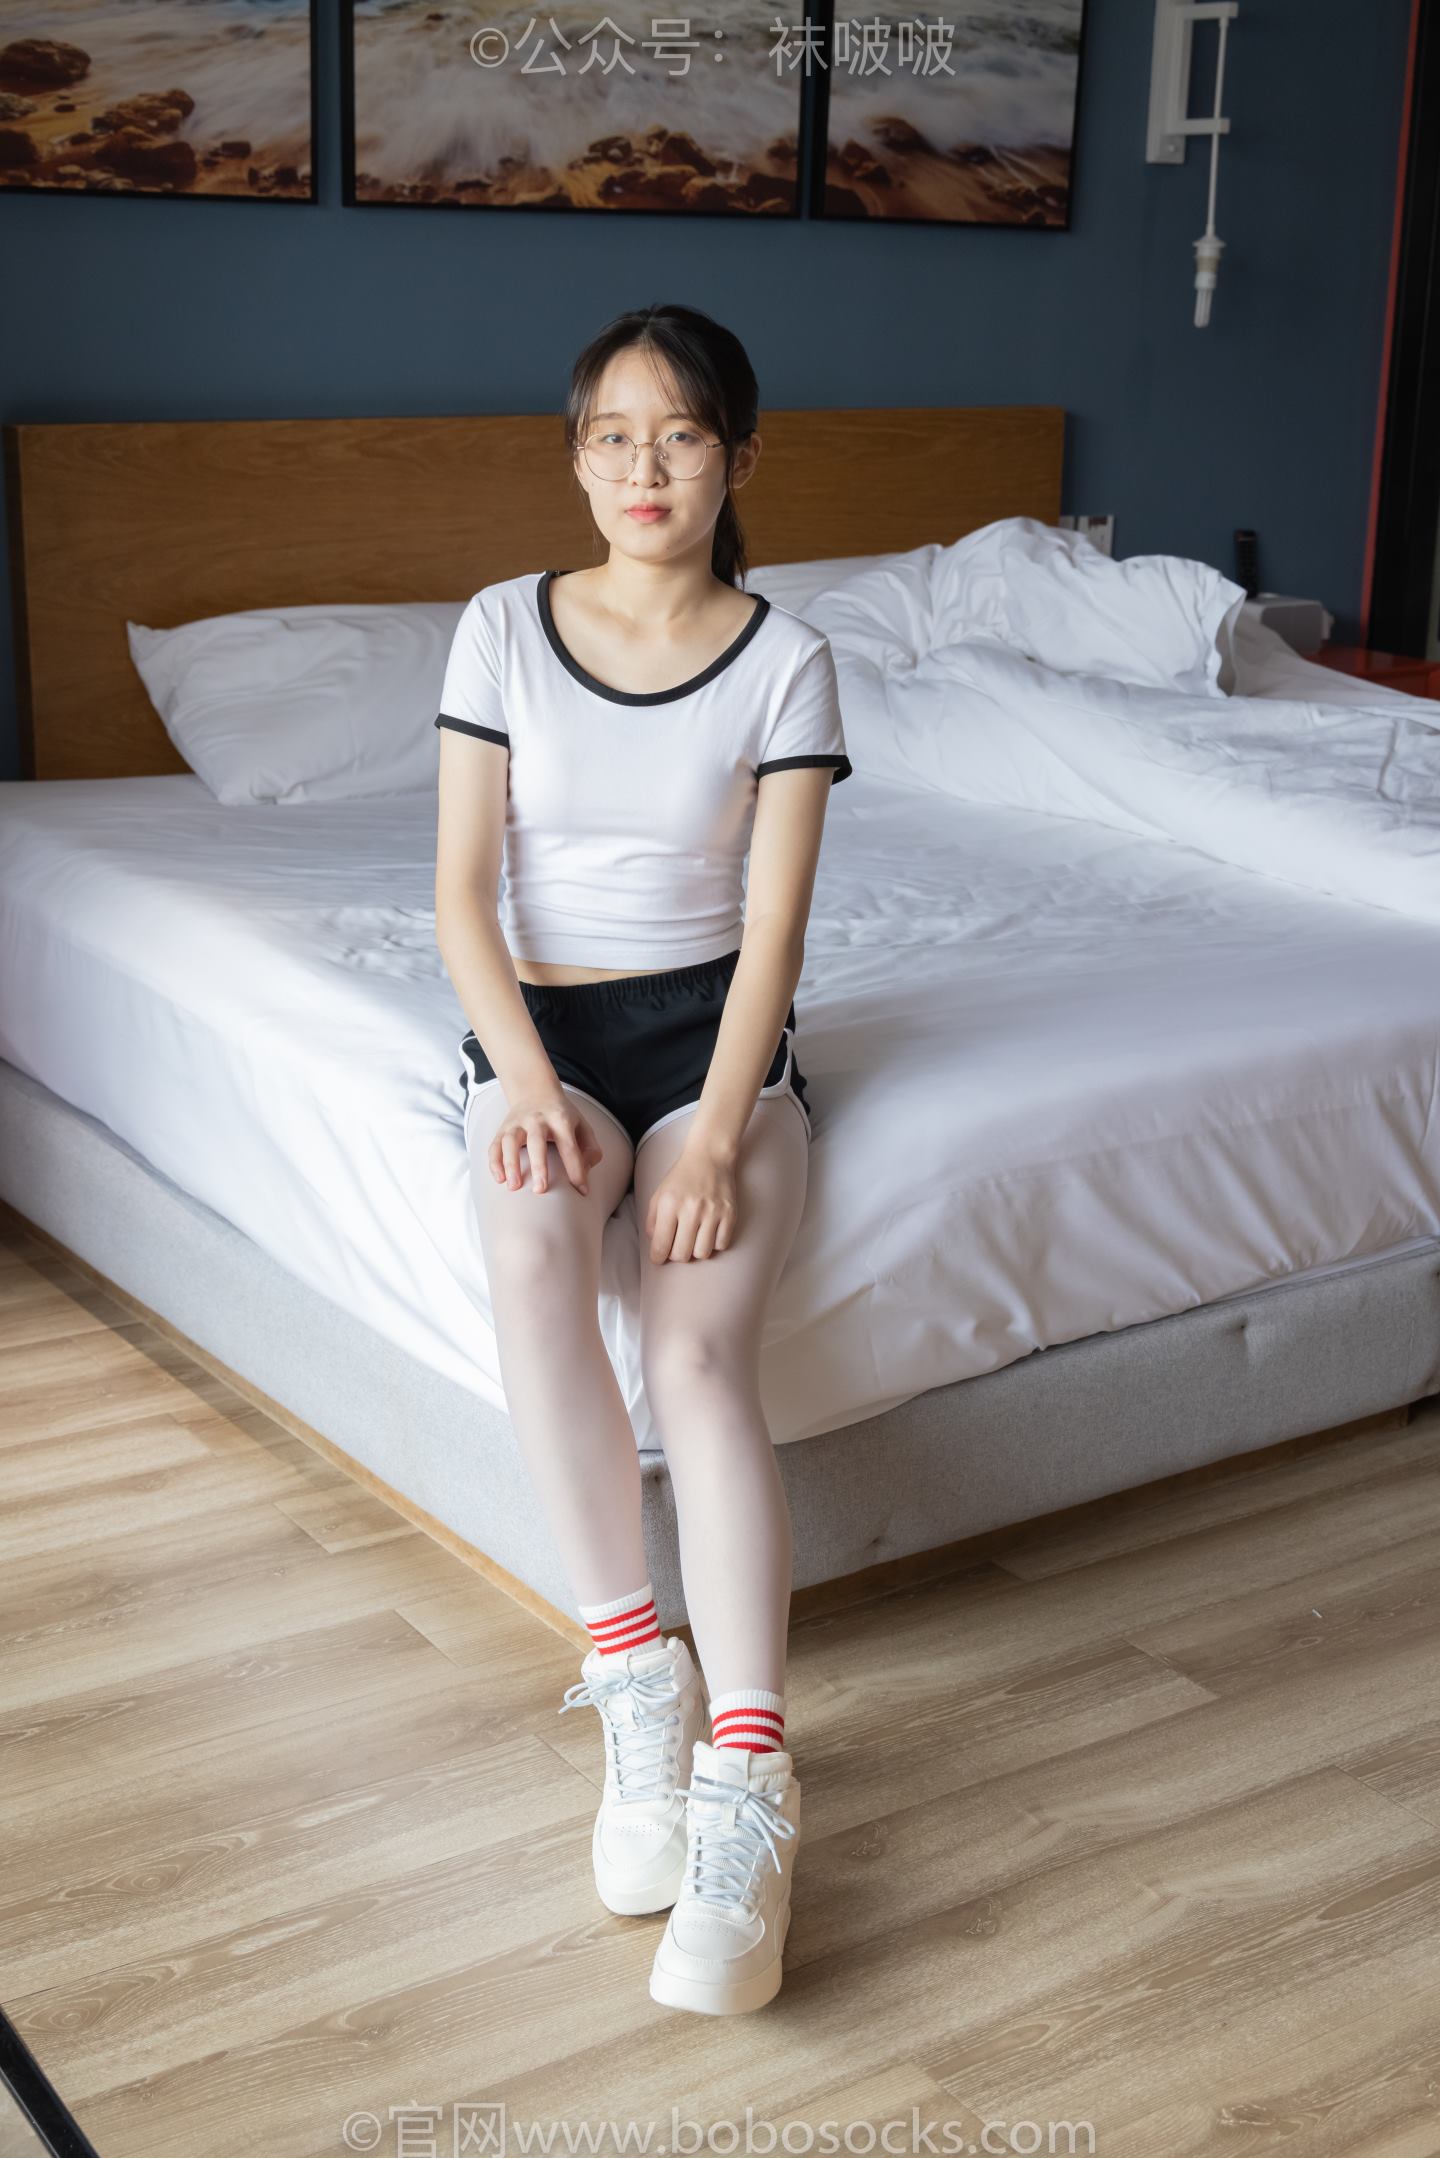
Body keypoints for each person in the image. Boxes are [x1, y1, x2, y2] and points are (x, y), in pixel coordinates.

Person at [433, 302, 851, 2017]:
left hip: (709, 1036)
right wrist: (528, 1081)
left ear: (737, 458)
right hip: (544, 1023)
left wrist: (720, 1135)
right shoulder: (498, 628)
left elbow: (775, 934)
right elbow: (462, 895)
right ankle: (635, 1676)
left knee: (693, 1350)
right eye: (613, 434)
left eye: (680, 433)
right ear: (577, 456)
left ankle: (748, 1777)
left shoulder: (787, 657)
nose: (644, 467)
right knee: (537, 1241)